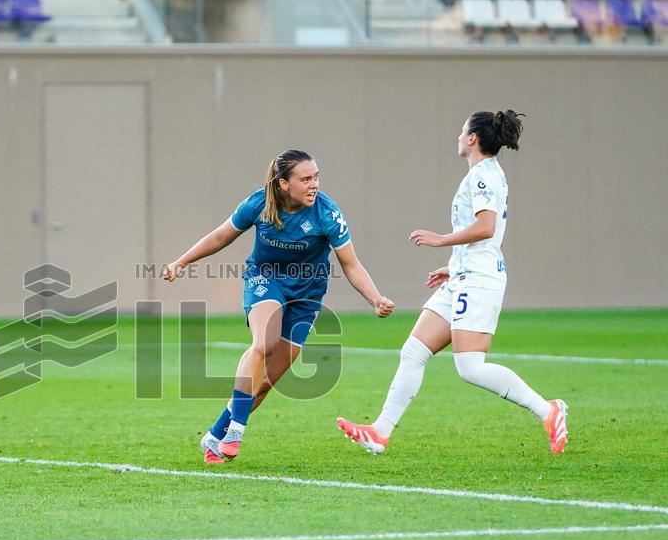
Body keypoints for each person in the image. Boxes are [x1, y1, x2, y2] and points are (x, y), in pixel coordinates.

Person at [336, 110, 568, 455]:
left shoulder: (483, 177)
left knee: (470, 367)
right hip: (464, 275)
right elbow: (493, 238)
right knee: (413, 351)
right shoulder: (486, 174)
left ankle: (549, 411)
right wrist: (453, 264)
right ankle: (379, 433)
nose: (458, 136)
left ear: (472, 138)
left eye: (462, 131)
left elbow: (487, 227)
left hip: (478, 281)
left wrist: (440, 240)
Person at [165, 149, 395, 464]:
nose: (314, 184)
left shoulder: (327, 214)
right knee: (264, 343)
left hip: (307, 293)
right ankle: (236, 431)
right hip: (265, 279)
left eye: (316, 177)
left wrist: (375, 298)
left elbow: (351, 265)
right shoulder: (258, 204)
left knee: (266, 381)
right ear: (284, 184)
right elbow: (221, 237)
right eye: (306, 179)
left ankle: (215, 434)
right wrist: (182, 261)